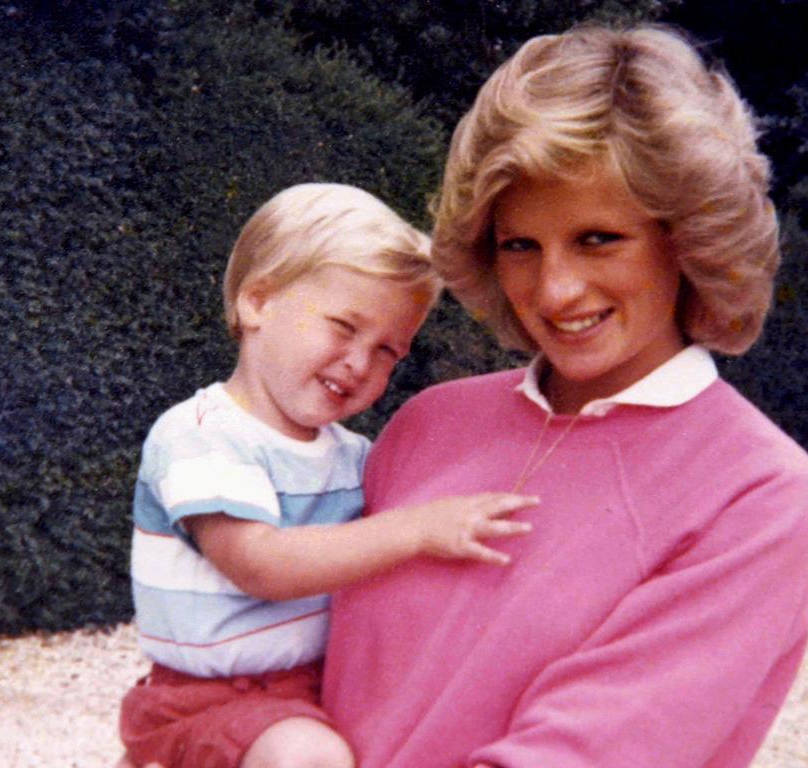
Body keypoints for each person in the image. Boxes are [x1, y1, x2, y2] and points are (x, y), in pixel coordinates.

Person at [321, 24, 808, 768]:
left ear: (687, 240)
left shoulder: (757, 492)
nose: (555, 291)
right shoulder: (430, 423)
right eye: (520, 245)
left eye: (597, 238)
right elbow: (275, 654)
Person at [117, 183, 538, 768]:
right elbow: (260, 564)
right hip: (204, 701)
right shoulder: (201, 435)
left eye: (389, 350)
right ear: (258, 302)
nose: (360, 362)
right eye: (344, 326)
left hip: (316, 689)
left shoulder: (354, 455)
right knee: (311, 758)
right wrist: (416, 530)